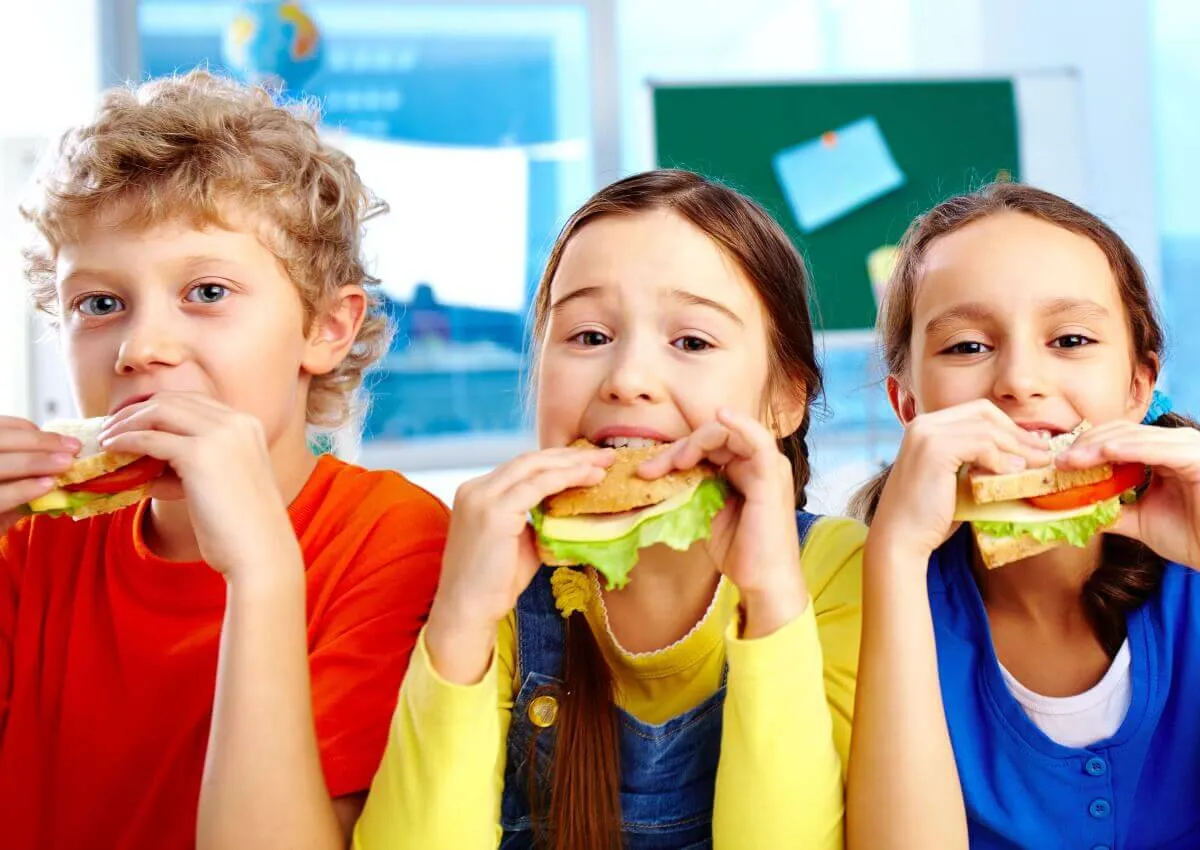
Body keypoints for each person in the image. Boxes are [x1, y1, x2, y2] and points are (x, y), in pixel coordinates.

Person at [0, 70, 448, 850]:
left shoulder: (392, 540)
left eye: (207, 292)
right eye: (99, 304)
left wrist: (262, 572)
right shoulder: (34, 541)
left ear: (327, 328)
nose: (141, 348)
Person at [354, 169, 866, 850]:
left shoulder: (837, 572)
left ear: (784, 400)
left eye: (691, 342)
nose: (626, 380)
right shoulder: (494, 587)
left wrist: (771, 598)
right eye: (590, 336)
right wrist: (460, 621)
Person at [847, 182, 1200, 850]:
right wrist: (893, 559)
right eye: (967, 347)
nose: (1019, 380)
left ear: (1138, 387)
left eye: (1070, 338)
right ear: (909, 407)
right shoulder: (858, 600)